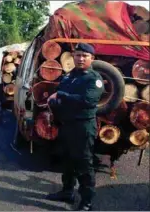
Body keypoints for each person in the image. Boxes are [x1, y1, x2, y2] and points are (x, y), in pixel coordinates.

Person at [46, 43, 104, 211]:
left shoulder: (94, 79)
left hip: (83, 127)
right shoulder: (69, 76)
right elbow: (60, 95)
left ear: (92, 58)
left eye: (84, 56)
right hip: (67, 125)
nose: (80, 58)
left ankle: (86, 202)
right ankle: (67, 191)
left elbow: (88, 101)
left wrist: (62, 95)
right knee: (68, 161)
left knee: (84, 165)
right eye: (77, 55)